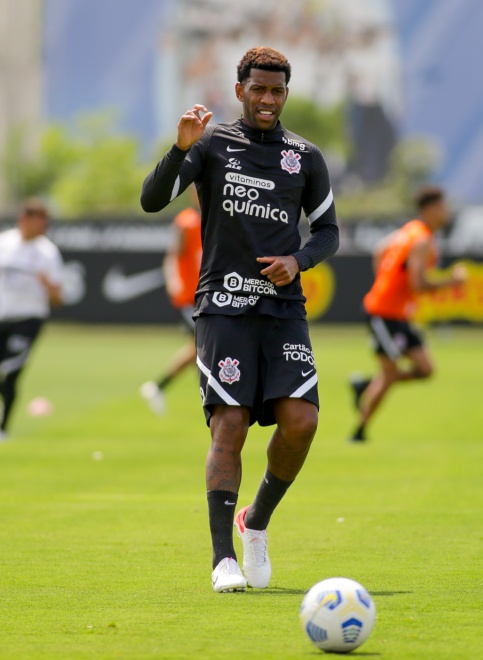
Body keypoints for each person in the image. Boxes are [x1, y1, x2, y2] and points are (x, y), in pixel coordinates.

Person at [140, 46, 340, 593]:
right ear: (240, 91)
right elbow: (152, 200)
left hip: (283, 310)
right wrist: (178, 148)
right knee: (229, 426)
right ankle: (222, 559)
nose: (268, 100)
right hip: (223, 307)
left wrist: (297, 261)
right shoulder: (210, 146)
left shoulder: (306, 158)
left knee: (303, 422)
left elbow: (328, 233)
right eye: (259, 90)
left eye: (277, 91)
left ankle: (254, 522)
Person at [349, 186, 467, 442]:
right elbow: (419, 284)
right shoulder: (422, 240)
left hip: (398, 314)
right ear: (431, 209)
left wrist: (386, 279)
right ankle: (359, 431)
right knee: (390, 373)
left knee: (425, 369)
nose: (446, 213)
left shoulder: (411, 230)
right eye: (443, 207)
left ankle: (365, 386)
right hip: (382, 312)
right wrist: (452, 281)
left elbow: (380, 249)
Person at [0, 198, 64, 444]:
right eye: (40, 221)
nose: (44, 226)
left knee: (10, 373)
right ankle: (6, 399)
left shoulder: (48, 252)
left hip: (30, 319)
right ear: (24, 220)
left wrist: (46, 284)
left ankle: (1, 429)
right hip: (2, 316)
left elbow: (58, 298)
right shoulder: (2, 244)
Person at [140, 194, 202, 416]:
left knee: (200, 347)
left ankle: (160, 387)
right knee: (203, 343)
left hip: (209, 293)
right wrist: (174, 282)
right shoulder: (186, 221)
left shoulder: (217, 216)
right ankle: (159, 387)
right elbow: (173, 255)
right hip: (190, 295)